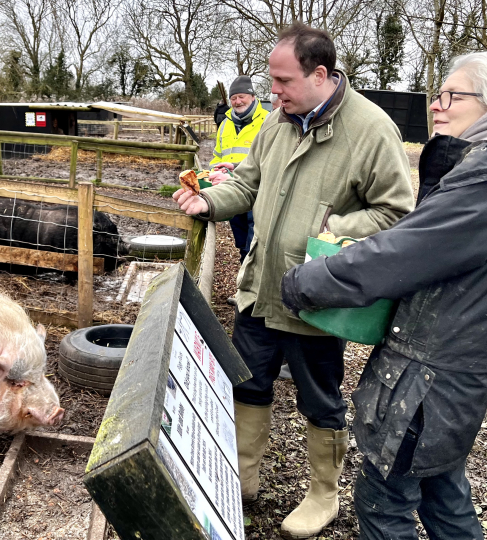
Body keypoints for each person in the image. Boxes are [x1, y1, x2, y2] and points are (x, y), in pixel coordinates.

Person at [280, 51, 487, 539]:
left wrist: (304, 283)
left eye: (450, 96)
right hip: (456, 368)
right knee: (442, 491)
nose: (436, 107)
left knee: (384, 501)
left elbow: (399, 253)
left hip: (428, 377)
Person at [173, 22, 415, 538]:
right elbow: (245, 183)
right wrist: (209, 203)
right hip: (260, 288)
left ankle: (323, 496)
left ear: (320, 74)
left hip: (319, 299)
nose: (272, 91)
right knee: (249, 384)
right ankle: (242, 481)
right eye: (270, 81)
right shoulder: (277, 123)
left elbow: (397, 214)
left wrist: (328, 229)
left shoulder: (371, 130)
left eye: (282, 81)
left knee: (320, 398)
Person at [208, 75, 270, 280]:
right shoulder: (225, 123)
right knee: (241, 240)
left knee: (255, 241)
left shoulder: (267, 121)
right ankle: (245, 283)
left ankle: (253, 286)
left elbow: (268, 160)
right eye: (234, 98)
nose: (237, 102)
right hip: (231, 191)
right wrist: (213, 170)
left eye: (241, 97)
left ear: (252, 97)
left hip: (258, 192)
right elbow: (218, 154)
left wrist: (235, 170)